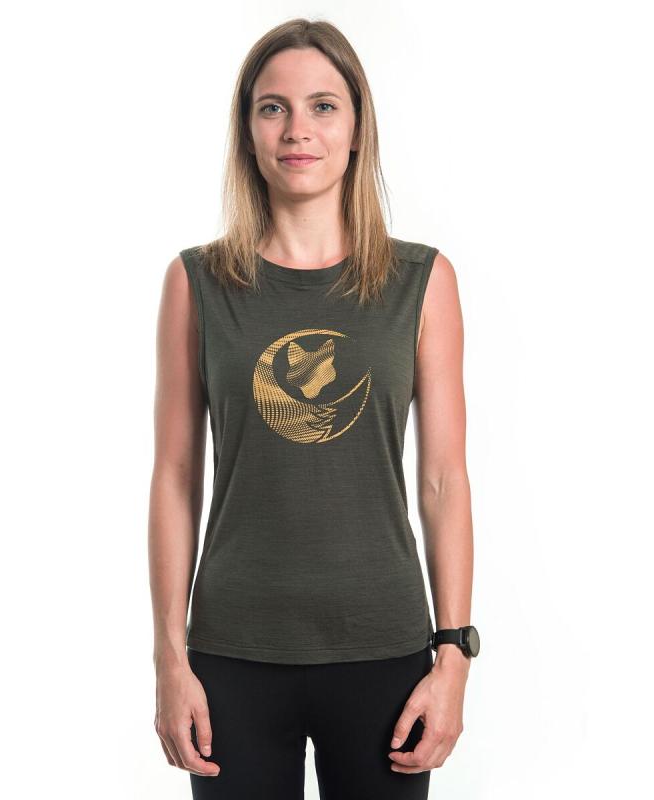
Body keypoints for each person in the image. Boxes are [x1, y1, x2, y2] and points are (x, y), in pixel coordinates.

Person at [149, 17, 475, 800]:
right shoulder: (197, 284)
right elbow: (175, 475)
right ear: (248, 130)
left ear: (358, 128)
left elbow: (443, 479)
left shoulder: (421, 282)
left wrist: (453, 656)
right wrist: (169, 659)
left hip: (384, 652)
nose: (298, 130)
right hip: (232, 655)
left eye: (324, 106)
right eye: (274, 108)